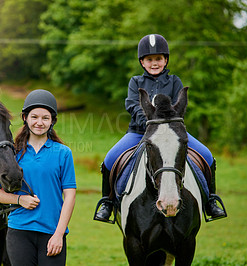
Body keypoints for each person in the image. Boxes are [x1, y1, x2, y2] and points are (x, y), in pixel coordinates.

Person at [94, 34, 226, 222]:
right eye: (149, 59)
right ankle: (107, 203)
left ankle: (211, 201)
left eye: (158, 58)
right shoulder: (135, 82)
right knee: (109, 159)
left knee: (206, 155)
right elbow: (132, 105)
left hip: (172, 134)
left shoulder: (174, 81)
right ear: (142, 62)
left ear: (165, 60)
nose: (154, 63)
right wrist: (148, 120)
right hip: (139, 132)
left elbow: (179, 107)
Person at [0, 89, 77, 266]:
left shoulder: (63, 153)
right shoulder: (12, 154)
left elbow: (70, 195)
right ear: (25, 118)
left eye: (45, 118)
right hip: (19, 232)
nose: (39, 122)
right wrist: (19, 200)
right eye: (34, 117)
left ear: (52, 121)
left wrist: (59, 234)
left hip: (52, 234)